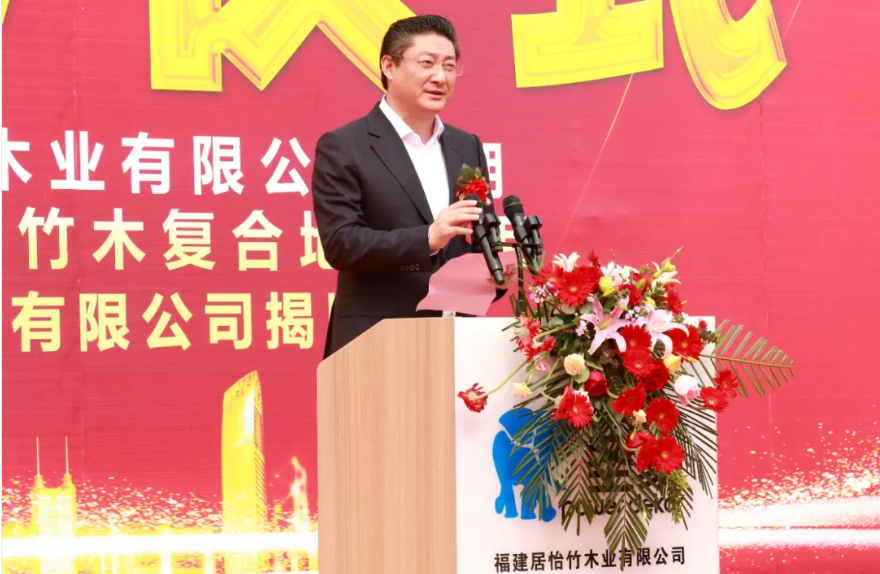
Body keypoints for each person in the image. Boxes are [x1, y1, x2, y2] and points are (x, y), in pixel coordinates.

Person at [311, 14, 516, 358]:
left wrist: (495, 276)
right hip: (375, 343)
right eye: (426, 63)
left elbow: (480, 238)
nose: (440, 77)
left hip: (457, 342)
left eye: (449, 66)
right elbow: (341, 243)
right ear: (388, 66)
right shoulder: (345, 145)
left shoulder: (466, 146)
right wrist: (428, 238)